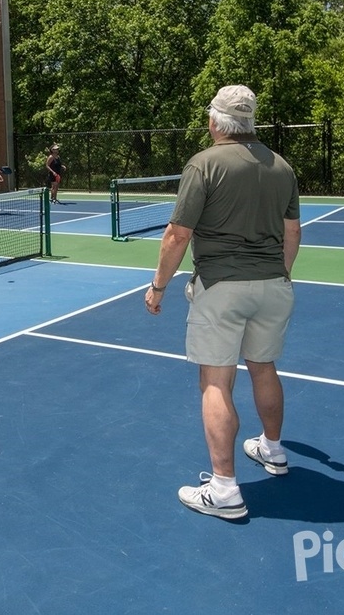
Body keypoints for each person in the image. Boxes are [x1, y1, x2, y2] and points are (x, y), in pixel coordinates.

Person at [145, 85, 302, 520]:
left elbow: (178, 234)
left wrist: (158, 286)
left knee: (216, 382)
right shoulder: (282, 166)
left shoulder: (204, 164)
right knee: (264, 367)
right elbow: (292, 232)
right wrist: (281, 273)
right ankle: (272, 450)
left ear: (215, 121)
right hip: (273, 283)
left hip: (221, 285)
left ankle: (225, 490)